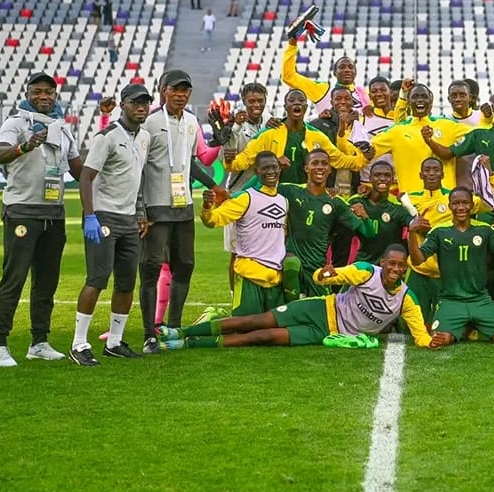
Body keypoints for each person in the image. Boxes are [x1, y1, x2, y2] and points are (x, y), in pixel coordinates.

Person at [0, 73, 83, 367]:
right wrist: (23, 147)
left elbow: (79, 170)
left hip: (54, 213)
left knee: (46, 282)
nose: (44, 96)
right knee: (13, 279)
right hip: (22, 210)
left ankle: (39, 341)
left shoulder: (62, 128)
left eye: (49, 92)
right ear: (28, 93)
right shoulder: (16, 123)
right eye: (38, 91)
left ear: (55, 95)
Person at [155, 245, 430, 350]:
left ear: (405, 268)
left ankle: (186, 345)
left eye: (400, 266)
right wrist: (325, 274)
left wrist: (432, 341)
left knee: (263, 337)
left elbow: (421, 336)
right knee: (255, 321)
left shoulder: (407, 299)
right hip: (321, 310)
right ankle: (180, 331)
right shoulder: (366, 272)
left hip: (328, 334)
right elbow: (330, 277)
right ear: (383, 262)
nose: (395, 269)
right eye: (391, 264)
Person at [68, 84, 153, 366]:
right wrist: (90, 215)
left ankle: (114, 342)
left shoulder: (145, 138)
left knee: (127, 282)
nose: (141, 107)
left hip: (129, 219)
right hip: (103, 216)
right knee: (97, 279)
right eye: (135, 103)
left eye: (145, 103)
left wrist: (140, 212)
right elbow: (85, 177)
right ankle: (79, 343)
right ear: (123, 104)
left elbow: (137, 180)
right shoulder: (106, 137)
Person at [138, 71, 200, 355]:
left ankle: (173, 326)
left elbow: (191, 164)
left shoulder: (192, 121)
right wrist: (140, 208)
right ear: (163, 91)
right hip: (156, 208)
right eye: (175, 89)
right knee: (150, 268)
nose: (181, 95)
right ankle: (149, 334)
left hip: (184, 208)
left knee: (185, 265)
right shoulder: (149, 122)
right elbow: (137, 166)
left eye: (185, 90)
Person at [407, 188, 494, 348]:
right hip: (450, 300)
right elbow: (417, 260)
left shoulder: (484, 229)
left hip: (480, 300)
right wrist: (412, 233)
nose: (461, 207)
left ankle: (471, 325)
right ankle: (464, 326)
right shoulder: (439, 231)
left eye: (465, 203)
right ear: (450, 205)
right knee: (440, 341)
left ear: (472, 205)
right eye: (456, 203)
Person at [277, 150, 376, 298]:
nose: (320, 167)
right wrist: (276, 167)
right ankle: (291, 303)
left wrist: (365, 217)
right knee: (291, 263)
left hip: (318, 269)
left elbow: (369, 234)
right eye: (315, 163)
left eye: (324, 164)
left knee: (321, 314)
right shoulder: (291, 191)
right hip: (291, 264)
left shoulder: (336, 202)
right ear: (306, 168)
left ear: (330, 170)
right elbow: (261, 186)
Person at [201, 152, 288, 316]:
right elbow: (212, 220)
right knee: (244, 328)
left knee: (272, 330)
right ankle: (202, 326)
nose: (271, 172)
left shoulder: (284, 201)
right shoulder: (244, 198)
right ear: (256, 171)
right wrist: (207, 207)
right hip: (249, 275)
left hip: (275, 277)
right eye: (265, 168)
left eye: (274, 167)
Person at [222, 88, 368, 186]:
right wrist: (229, 162)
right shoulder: (269, 134)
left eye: (301, 100)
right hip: (275, 199)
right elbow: (243, 161)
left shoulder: (317, 136)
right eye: (292, 100)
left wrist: (365, 157)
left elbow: (340, 160)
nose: (297, 102)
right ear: (285, 106)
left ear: (305, 106)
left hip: (305, 199)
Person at [368, 83, 471, 194]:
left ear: (431, 101)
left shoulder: (448, 125)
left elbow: (481, 135)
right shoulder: (397, 131)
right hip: (411, 203)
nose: (420, 100)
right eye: (415, 97)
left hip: (444, 203)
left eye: (424, 97)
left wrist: (489, 119)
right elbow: (362, 154)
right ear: (409, 102)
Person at [221, 82, 270, 290]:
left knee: (263, 250)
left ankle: (256, 295)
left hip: (263, 196)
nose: (256, 105)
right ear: (244, 102)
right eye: (251, 101)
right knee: (236, 252)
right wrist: (234, 127)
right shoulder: (234, 127)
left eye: (260, 100)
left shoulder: (270, 125)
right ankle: (235, 297)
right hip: (237, 195)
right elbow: (227, 156)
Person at [282, 26, 369, 115]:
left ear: (356, 72)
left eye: (351, 67)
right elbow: (289, 77)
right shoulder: (323, 89)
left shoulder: (365, 95)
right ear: (334, 72)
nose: (347, 70)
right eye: (342, 67)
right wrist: (292, 43)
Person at [347, 161, 413, 264]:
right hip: (362, 264)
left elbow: (413, 224)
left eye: (387, 175)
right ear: (370, 178)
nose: (382, 179)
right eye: (377, 175)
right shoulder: (356, 201)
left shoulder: (398, 205)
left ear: (393, 179)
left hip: (388, 267)